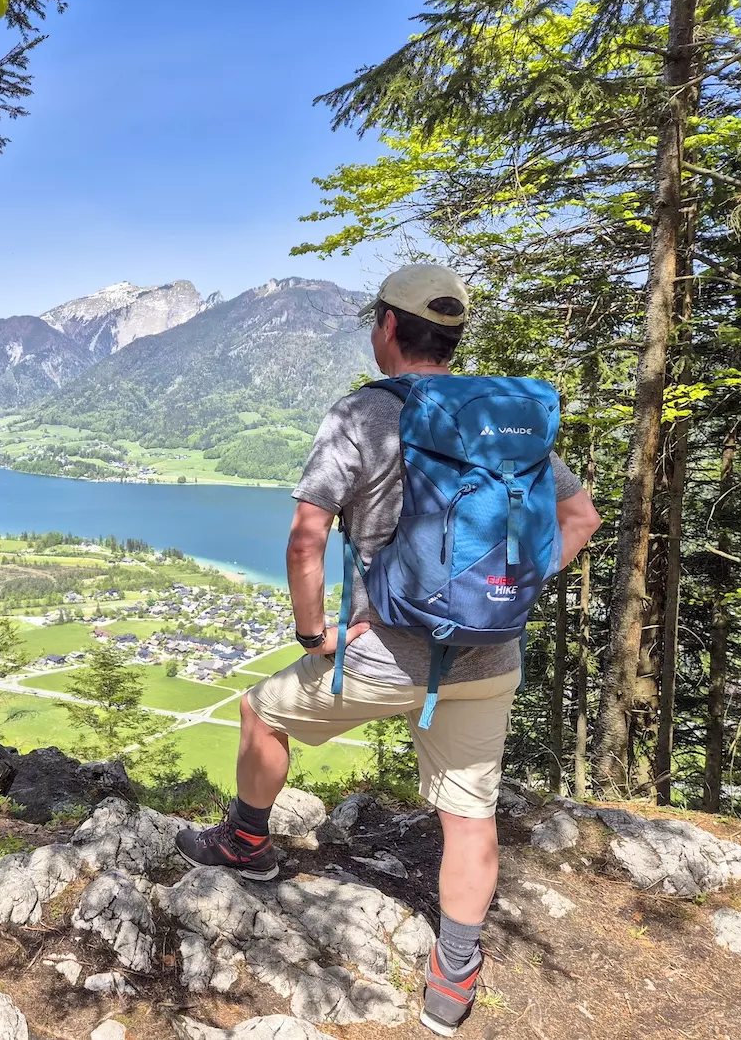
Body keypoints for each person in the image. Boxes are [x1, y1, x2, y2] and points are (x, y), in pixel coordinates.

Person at [175, 263, 601, 1037]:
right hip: (489, 658)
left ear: (387, 328)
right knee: (469, 817)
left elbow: (306, 540)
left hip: (380, 654)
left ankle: (245, 843)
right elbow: (582, 518)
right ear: (452, 335)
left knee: (260, 716)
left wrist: (315, 635)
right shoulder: (500, 421)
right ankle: (453, 977)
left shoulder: (364, 416)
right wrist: (515, 587)